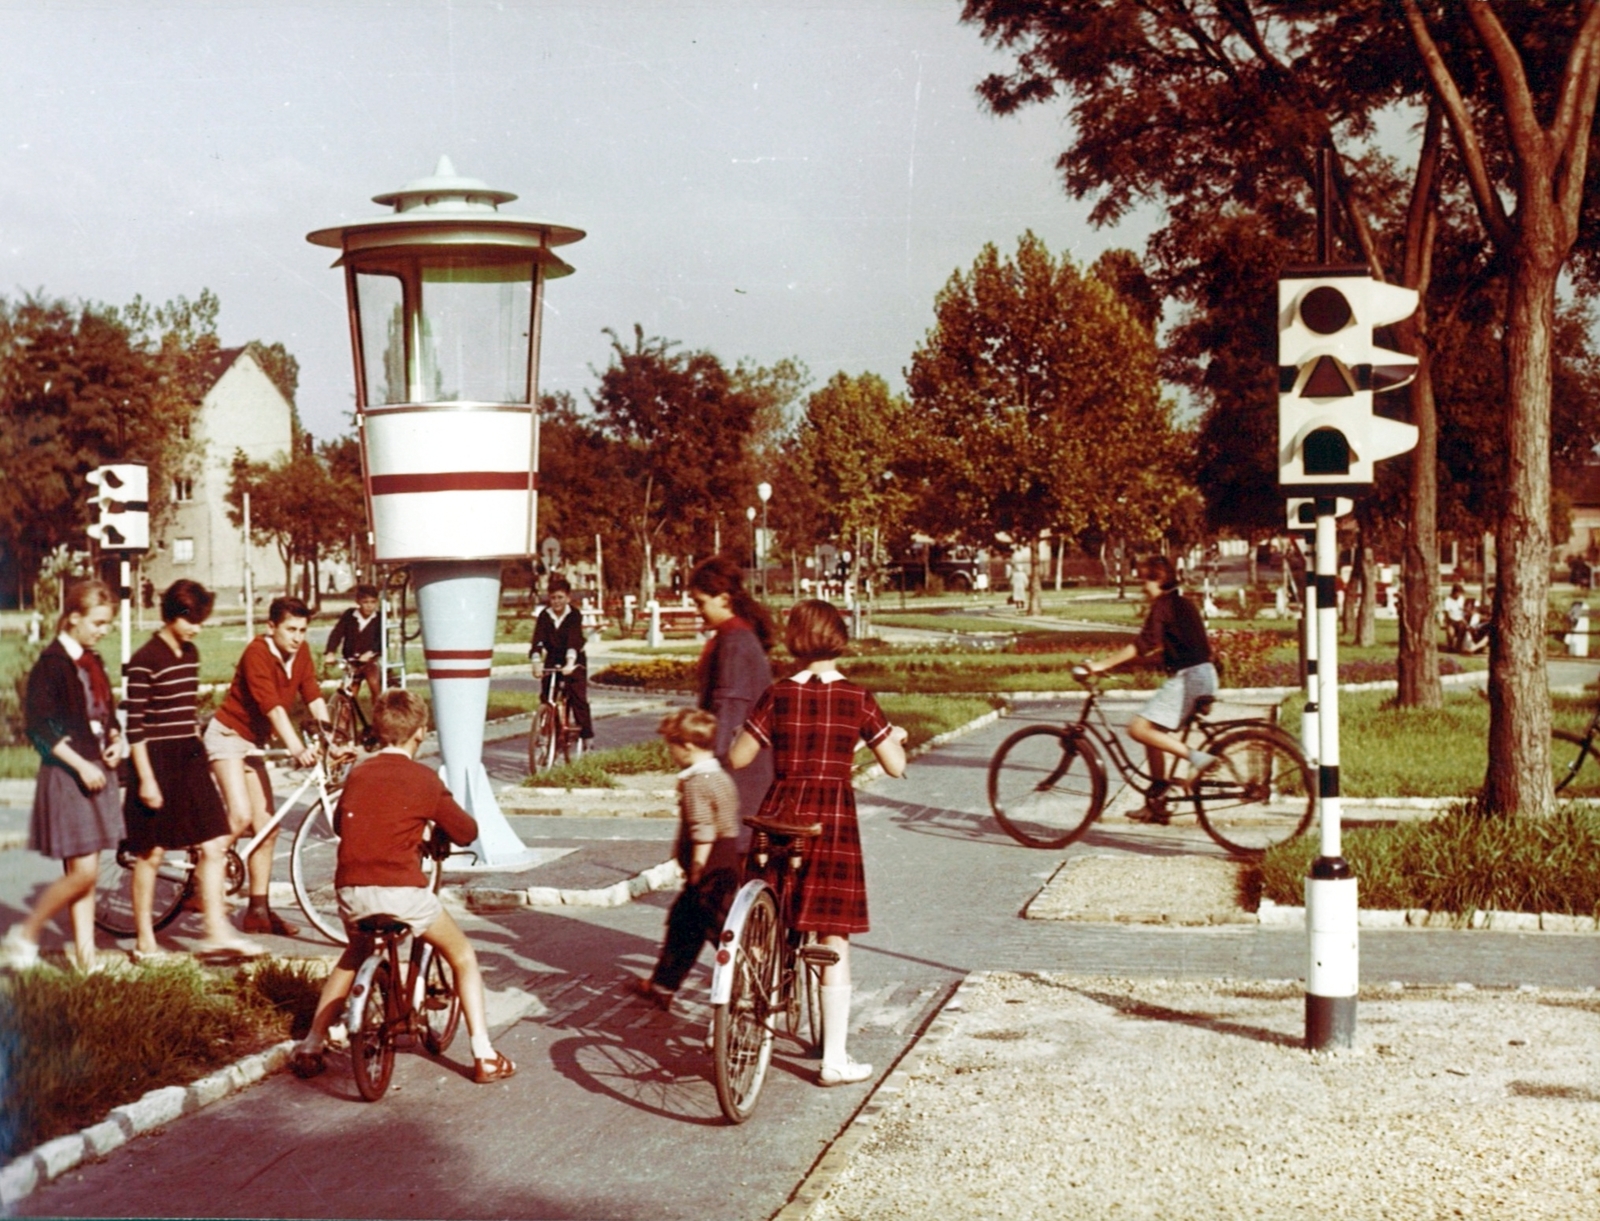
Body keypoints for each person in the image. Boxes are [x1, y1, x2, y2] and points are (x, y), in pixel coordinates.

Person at [289, 689, 515, 1085]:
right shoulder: (424, 779)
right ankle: (484, 1054)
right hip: (400, 890)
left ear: (378, 731)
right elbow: (466, 831)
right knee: (462, 953)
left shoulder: (358, 772)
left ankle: (311, 1044)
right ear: (420, 734)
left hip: (351, 891)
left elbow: (342, 825)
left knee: (354, 953)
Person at [729, 599, 908, 1086]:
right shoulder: (857, 698)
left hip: (782, 812)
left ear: (796, 640)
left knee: (766, 922)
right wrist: (880, 740)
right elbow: (896, 765)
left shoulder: (776, 695)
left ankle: (735, 1018)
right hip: (832, 819)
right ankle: (834, 1059)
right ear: (839, 638)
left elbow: (740, 757)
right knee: (833, 935)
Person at [124, 580, 260, 959]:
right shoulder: (145, 659)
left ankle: (216, 933)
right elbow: (134, 727)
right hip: (154, 760)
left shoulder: (191, 653)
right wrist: (147, 779)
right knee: (150, 854)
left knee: (215, 843)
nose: (197, 628)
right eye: (190, 620)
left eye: (200, 620)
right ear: (170, 615)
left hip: (189, 755)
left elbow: (185, 715)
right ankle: (144, 941)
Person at [0, 580, 125, 971]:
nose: (104, 631)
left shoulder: (92, 661)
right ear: (73, 618)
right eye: (99, 623)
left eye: (108, 624)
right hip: (69, 774)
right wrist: (82, 764)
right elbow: (40, 730)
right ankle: (27, 931)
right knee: (83, 871)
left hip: (96, 768)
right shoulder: (51, 665)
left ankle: (86, 960)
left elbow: (106, 713)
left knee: (83, 874)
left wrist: (116, 739)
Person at [206, 595, 332, 938]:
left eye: (303, 630)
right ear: (271, 627)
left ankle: (258, 912)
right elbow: (273, 708)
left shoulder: (301, 653)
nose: (297, 637)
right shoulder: (257, 653)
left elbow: (313, 695)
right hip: (228, 736)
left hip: (253, 745)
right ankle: (203, 870)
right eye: (291, 629)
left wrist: (332, 739)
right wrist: (297, 748)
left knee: (268, 826)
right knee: (241, 816)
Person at [1085, 555, 1220, 826]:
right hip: (1205, 674)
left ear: (1157, 579)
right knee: (1152, 733)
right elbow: (1169, 649)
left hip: (1190, 678)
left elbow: (1144, 644)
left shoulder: (1164, 605)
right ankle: (1156, 805)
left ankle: (1198, 758)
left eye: (1143, 581)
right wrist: (1125, 666)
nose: (1141, 588)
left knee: (1138, 729)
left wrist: (1101, 665)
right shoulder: (1182, 603)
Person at [633, 709, 742, 1008]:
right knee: (684, 924)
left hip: (708, 865)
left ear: (688, 746)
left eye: (672, 746)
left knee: (716, 927)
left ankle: (746, 984)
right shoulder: (719, 774)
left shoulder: (697, 782)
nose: (671, 753)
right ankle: (663, 985)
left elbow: (703, 829)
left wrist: (696, 867)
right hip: (726, 857)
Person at [688, 555, 775, 836]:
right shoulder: (736, 636)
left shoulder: (734, 642)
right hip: (743, 772)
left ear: (724, 599)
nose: (698, 611)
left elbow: (729, 711)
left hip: (737, 777)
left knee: (725, 864)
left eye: (701, 603)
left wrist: (708, 768)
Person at [528, 574, 593, 746]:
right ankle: (549, 730)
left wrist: (570, 663)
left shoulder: (574, 615)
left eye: (560, 597)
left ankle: (587, 736)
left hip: (575, 658)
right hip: (553, 657)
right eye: (553, 598)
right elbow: (538, 640)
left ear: (568, 597)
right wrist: (536, 662)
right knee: (547, 694)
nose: (556, 601)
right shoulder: (545, 615)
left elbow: (574, 639)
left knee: (577, 697)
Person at [324, 583, 383, 710]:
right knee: (347, 694)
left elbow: (382, 640)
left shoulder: (379, 619)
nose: (369, 606)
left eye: (372, 602)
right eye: (365, 602)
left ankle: (379, 719)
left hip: (370, 662)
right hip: (352, 661)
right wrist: (330, 652)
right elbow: (337, 633)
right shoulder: (349, 616)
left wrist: (371, 652)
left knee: (374, 685)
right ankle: (343, 724)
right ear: (358, 601)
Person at [1442, 584, 1467, 653]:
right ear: (1454, 592)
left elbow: (1464, 610)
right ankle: (1450, 646)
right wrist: (1449, 621)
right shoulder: (1448, 600)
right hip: (1451, 620)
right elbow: (1447, 613)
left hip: (1460, 620)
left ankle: (1458, 647)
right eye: (1458, 593)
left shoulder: (1462, 599)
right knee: (1451, 634)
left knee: (1462, 628)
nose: (1459, 595)